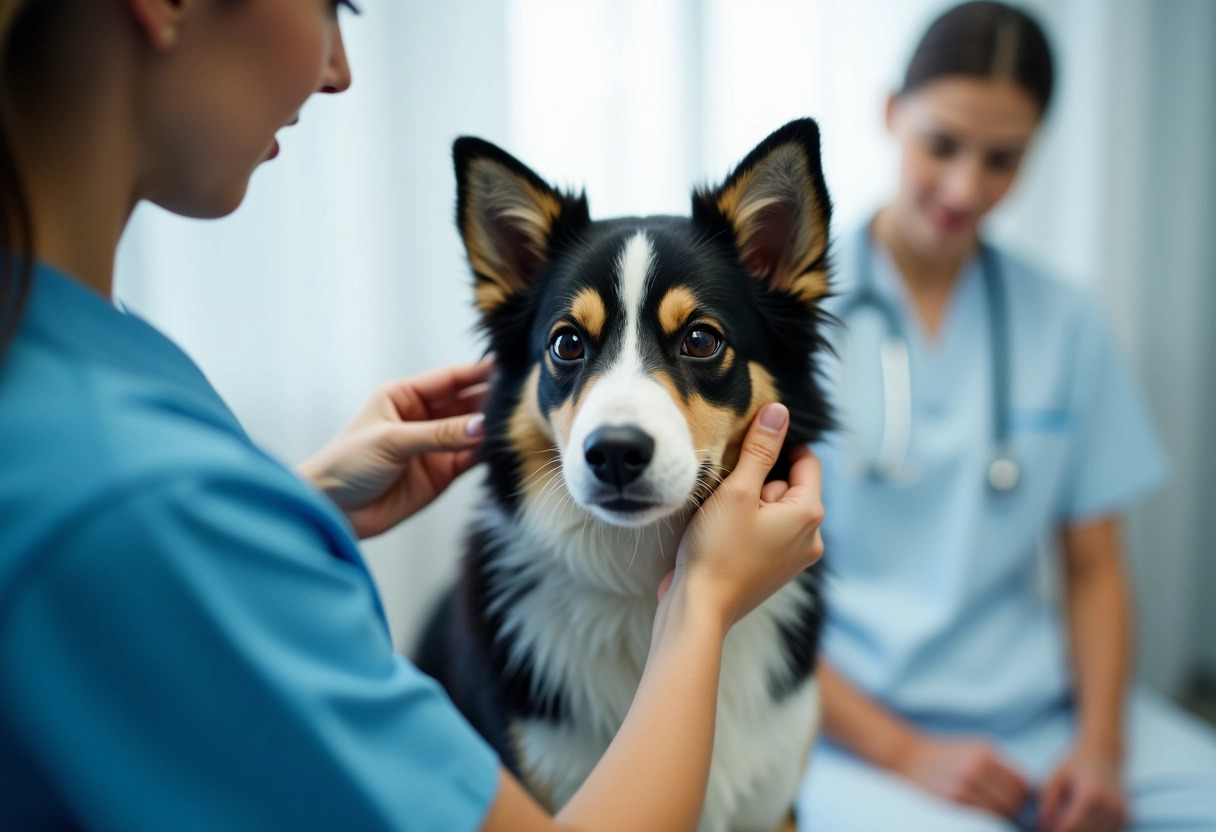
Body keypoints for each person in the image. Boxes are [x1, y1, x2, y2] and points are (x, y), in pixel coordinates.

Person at [0, 2, 827, 830]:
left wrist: (295, 505)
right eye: (333, 6)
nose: (341, 71)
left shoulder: (98, 365)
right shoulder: (134, 490)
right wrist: (706, 598)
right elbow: (145, 535)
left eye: (701, 340)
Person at [794, 3, 1216, 832]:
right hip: (849, 729)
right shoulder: (787, 319)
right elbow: (744, 605)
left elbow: (1094, 568)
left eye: (1003, 159)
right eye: (940, 145)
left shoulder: (1064, 322)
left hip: (1039, 714)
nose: (964, 188)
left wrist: (1100, 749)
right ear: (890, 114)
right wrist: (905, 753)